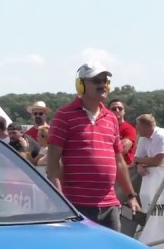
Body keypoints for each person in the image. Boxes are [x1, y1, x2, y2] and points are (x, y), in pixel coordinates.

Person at [41, 63, 140, 230]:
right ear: (81, 85)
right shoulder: (64, 116)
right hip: (76, 205)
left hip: (109, 205)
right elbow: (53, 162)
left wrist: (131, 195)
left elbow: (119, 161)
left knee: (112, 247)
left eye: (105, 81)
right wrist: (60, 199)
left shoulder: (111, 118)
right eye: (96, 81)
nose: (102, 85)